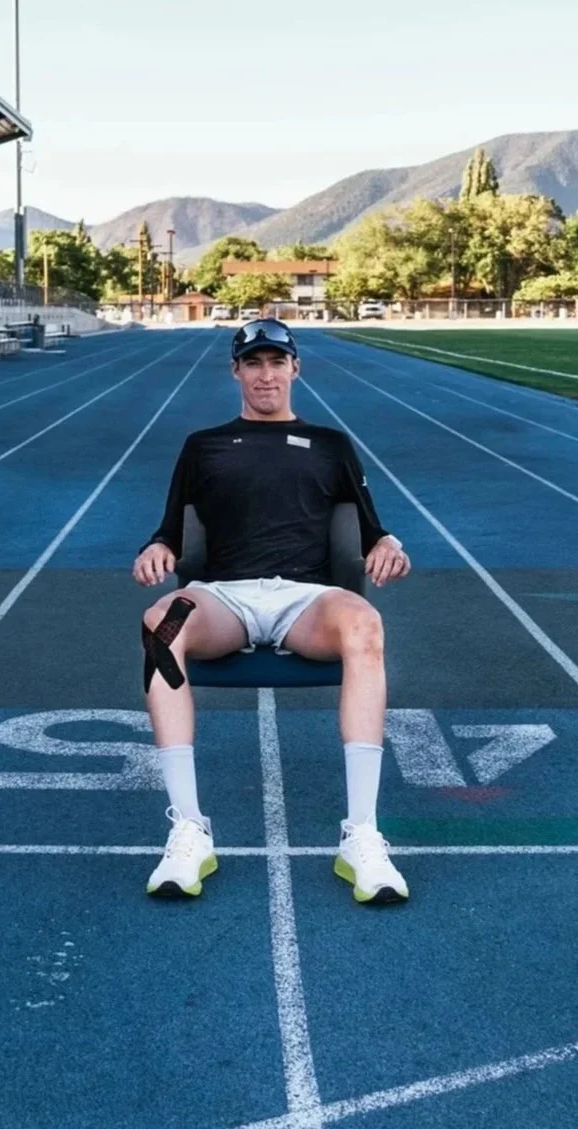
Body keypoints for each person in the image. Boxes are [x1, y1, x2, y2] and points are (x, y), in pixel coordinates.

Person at [133, 318, 413, 903]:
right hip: (223, 595)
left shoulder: (331, 444)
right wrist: (157, 549)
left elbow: (372, 531)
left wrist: (388, 544)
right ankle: (189, 829)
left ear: (295, 368)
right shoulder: (202, 445)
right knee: (163, 624)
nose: (266, 374)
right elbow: (168, 533)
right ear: (235, 370)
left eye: (276, 362)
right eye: (254, 363)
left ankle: (361, 834)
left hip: (304, 599)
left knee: (366, 624)